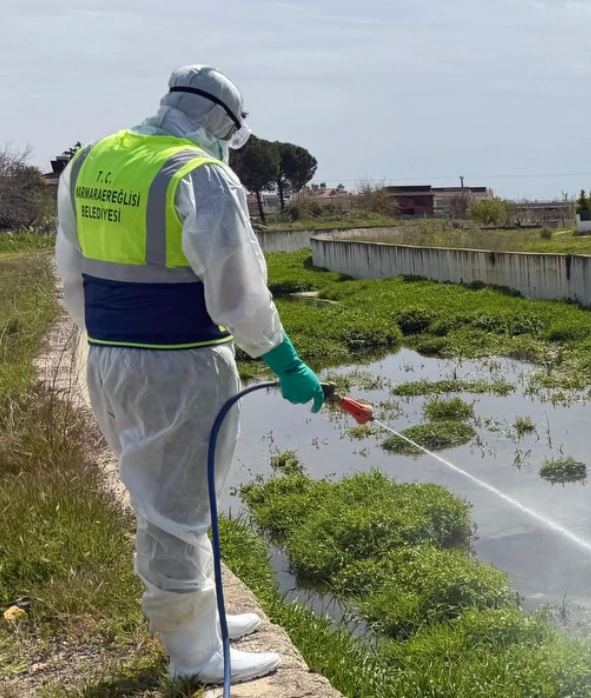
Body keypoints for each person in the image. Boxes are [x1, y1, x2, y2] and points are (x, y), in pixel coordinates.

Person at [54, 65, 324, 685]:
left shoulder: (91, 161)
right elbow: (239, 294)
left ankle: (204, 617)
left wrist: (114, 340)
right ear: (221, 124)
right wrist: (284, 360)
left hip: (110, 355)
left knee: (169, 496)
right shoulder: (199, 174)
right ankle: (195, 657)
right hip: (179, 362)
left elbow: (69, 272)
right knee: (176, 507)